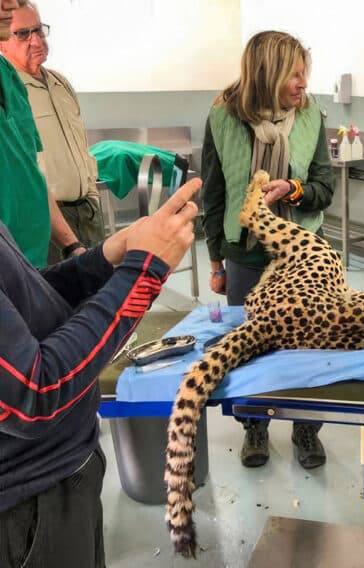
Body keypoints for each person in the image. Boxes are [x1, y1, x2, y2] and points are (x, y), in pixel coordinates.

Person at [0, 150, 201, 568]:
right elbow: (33, 391)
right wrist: (142, 274)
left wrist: (107, 256)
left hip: (61, 476)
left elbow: (24, 300)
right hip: (27, 508)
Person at [201, 31, 334, 470]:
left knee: (309, 348)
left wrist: (293, 191)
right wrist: (217, 260)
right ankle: (254, 426)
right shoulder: (223, 116)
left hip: (303, 258)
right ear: (267, 73)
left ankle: (305, 428)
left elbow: (324, 187)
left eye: (304, 74)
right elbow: (215, 192)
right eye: (294, 74)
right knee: (248, 347)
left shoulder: (312, 116)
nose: (302, 84)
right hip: (247, 257)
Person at [0, 2, 104, 264]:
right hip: (46, 223)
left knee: (93, 295)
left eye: (39, 30)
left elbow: (80, 146)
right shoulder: (10, 91)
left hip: (87, 213)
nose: (36, 41)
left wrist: (90, 193)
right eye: (23, 34)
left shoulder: (60, 84)